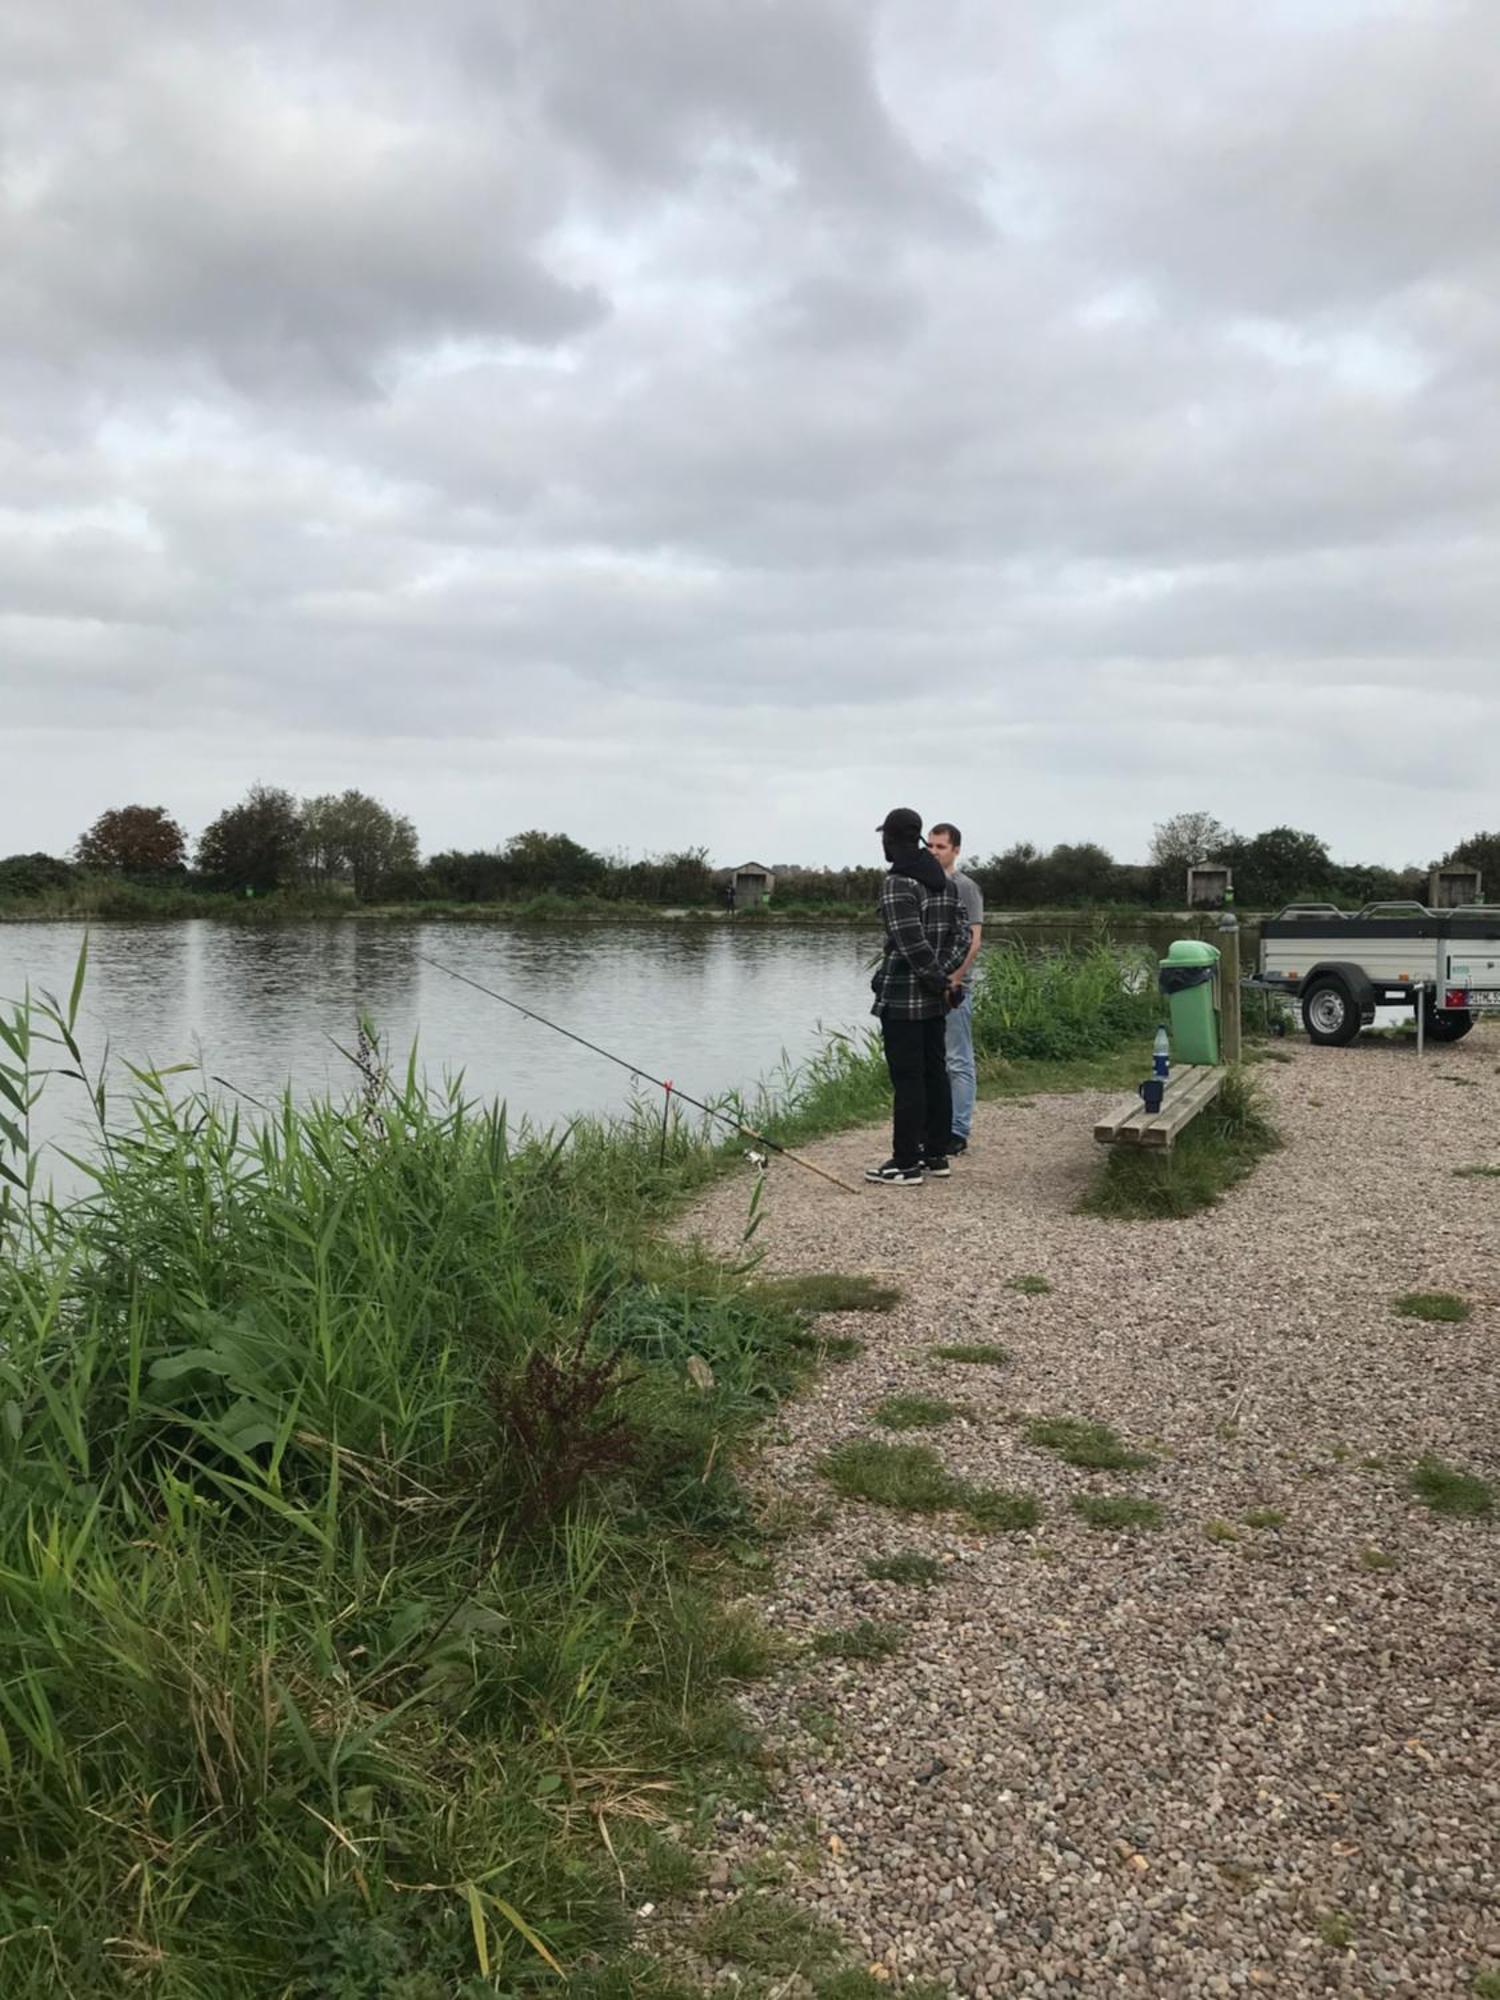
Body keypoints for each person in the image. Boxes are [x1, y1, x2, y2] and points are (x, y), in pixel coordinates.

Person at [866, 807, 971, 1186]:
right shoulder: (944, 880)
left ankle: (905, 1162)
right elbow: (963, 936)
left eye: (884, 838)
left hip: (904, 999)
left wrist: (935, 979)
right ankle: (936, 1154)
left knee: (908, 1078)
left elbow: (910, 943)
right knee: (934, 1073)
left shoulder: (898, 882)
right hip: (934, 999)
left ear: (891, 839)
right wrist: (944, 978)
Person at [927, 822, 983, 1155]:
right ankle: (935, 1125)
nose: (934, 852)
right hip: (929, 987)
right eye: (930, 846)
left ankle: (959, 1130)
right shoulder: (925, 886)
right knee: (935, 1061)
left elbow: (974, 942)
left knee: (958, 1060)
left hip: (955, 987)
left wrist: (957, 977)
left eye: (941, 847)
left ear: (956, 850)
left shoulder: (965, 887)